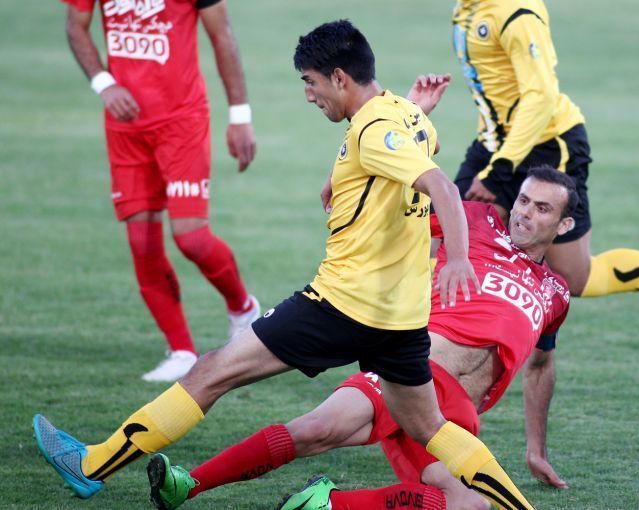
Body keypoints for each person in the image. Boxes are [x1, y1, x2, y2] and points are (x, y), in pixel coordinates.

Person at [34, 20, 535, 510]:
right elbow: (407, 139)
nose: (308, 95)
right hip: (401, 319)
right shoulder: (407, 115)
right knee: (431, 428)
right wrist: (347, 167)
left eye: (311, 82)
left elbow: (441, 185)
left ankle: (92, 465)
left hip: (342, 305)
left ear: (339, 77)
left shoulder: (377, 129)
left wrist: (458, 259)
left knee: (212, 372)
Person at [144, 166, 576, 510]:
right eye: (523, 200)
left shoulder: (556, 295)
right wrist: (346, 174)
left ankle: (327, 504)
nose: (525, 213)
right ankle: (186, 485)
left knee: (469, 505)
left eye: (542, 208)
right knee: (315, 429)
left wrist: (535, 449)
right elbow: (396, 207)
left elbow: (540, 367)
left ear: (564, 224)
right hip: (411, 373)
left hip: (456, 414)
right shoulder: (477, 222)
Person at [450, 0, 639, 316]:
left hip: (548, 145)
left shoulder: (516, 11)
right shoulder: (468, 6)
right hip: (496, 143)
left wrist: (500, 169)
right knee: (448, 236)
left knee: (575, 277)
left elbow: (541, 96)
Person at [62, 0, 261, 381]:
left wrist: (240, 116)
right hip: (125, 125)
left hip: (182, 121)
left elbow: (222, 34)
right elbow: (75, 25)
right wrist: (104, 83)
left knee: (192, 238)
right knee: (142, 243)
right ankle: (181, 351)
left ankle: (243, 310)